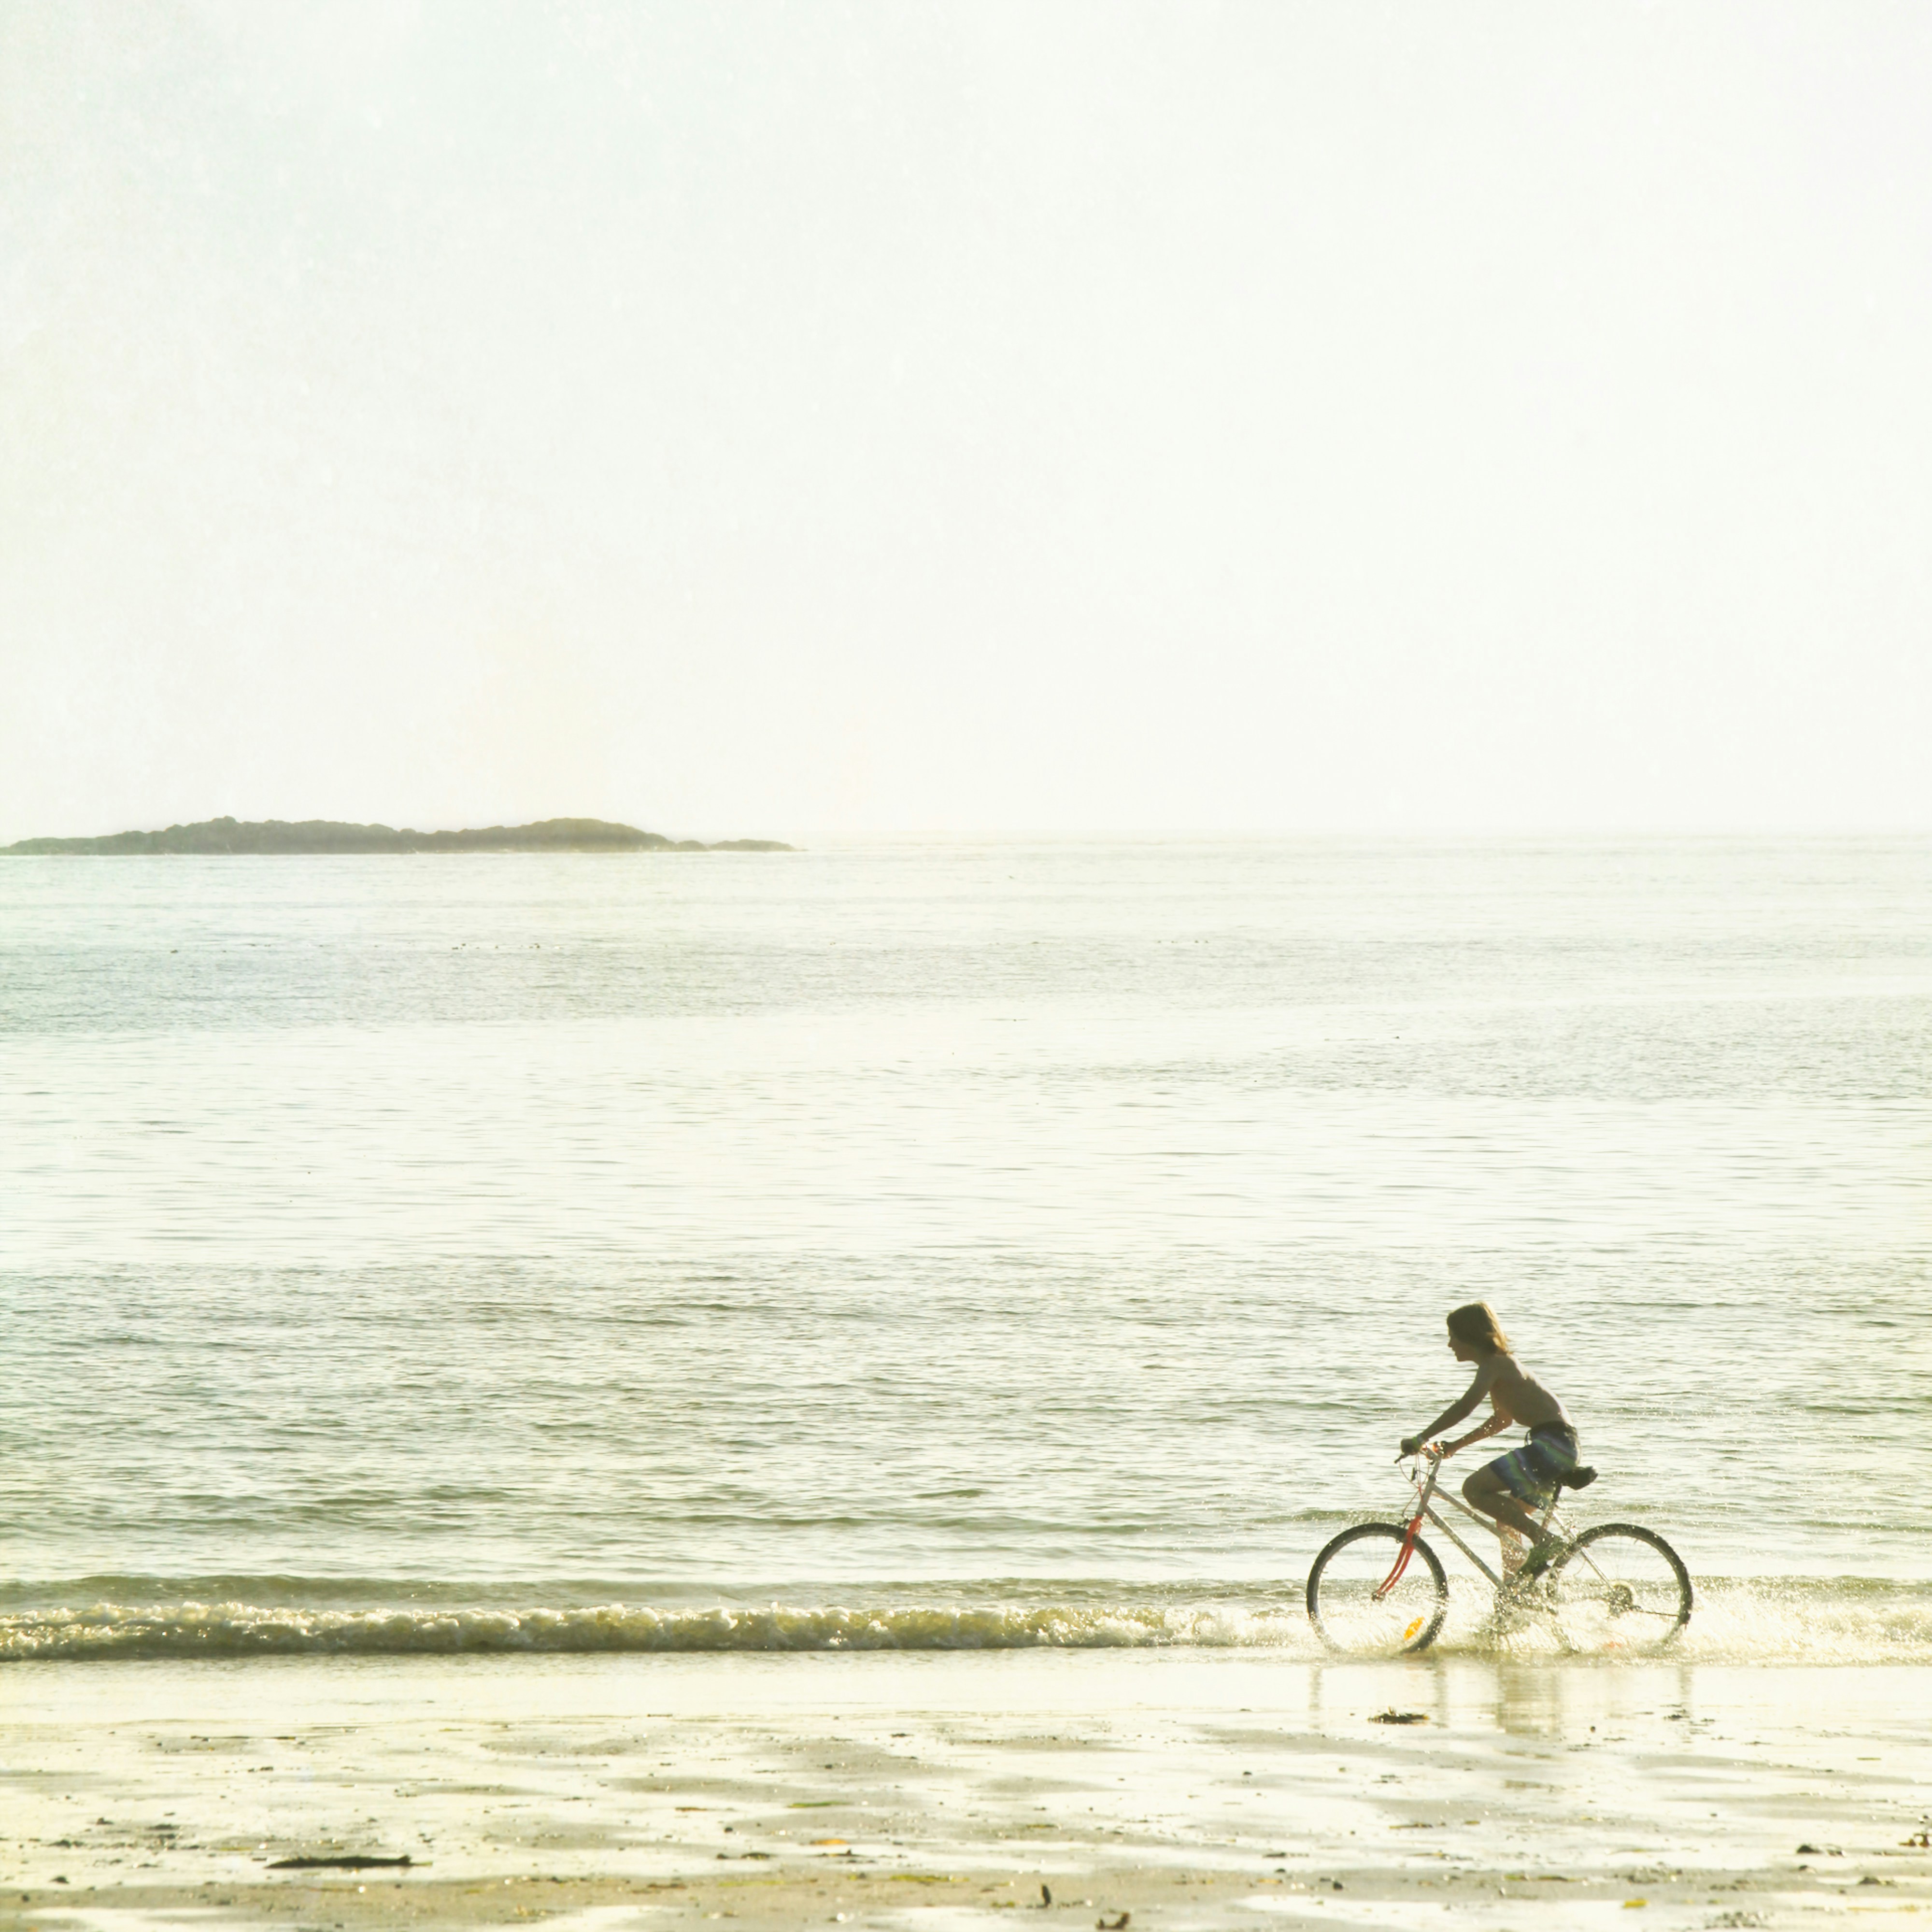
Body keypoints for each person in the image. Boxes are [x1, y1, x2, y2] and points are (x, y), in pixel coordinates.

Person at [1397, 1302, 1581, 1579]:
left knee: (1473, 1489)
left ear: (1470, 1337)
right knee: (1508, 1520)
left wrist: (1421, 1437)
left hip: (1554, 1446)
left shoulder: (1495, 1365)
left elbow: (1464, 1407)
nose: (1449, 1345)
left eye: (1453, 1336)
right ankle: (1516, 1593)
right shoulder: (1498, 1368)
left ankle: (1545, 1541)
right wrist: (1454, 1447)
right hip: (1560, 1446)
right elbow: (1501, 1421)